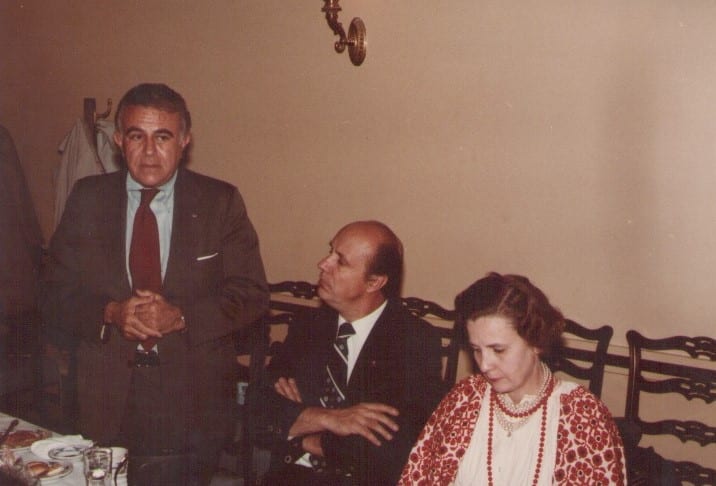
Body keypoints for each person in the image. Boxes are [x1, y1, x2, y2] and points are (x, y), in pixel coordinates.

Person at [42, 83, 269, 484]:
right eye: (137, 136)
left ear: (184, 141)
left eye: (162, 137)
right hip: (103, 393)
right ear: (118, 140)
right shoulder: (87, 198)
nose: (149, 152)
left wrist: (181, 317)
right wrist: (110, 312)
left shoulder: (219, 202)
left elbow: (251, 294)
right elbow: (53, 290)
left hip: (192, 396)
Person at [248, 221, 444, 485]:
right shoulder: (309, 325)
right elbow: (258, 410)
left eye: (340, 261)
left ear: (374, 282)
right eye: (330, 251)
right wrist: (331, 418)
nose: (322, 264)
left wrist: (301, 436)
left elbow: (393, 446)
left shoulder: (414, 340)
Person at [399, 272, 626, 485]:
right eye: (476, 350)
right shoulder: (464, 399)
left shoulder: (581, 414)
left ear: (536, 342)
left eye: (498, 350)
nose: (484, 365)